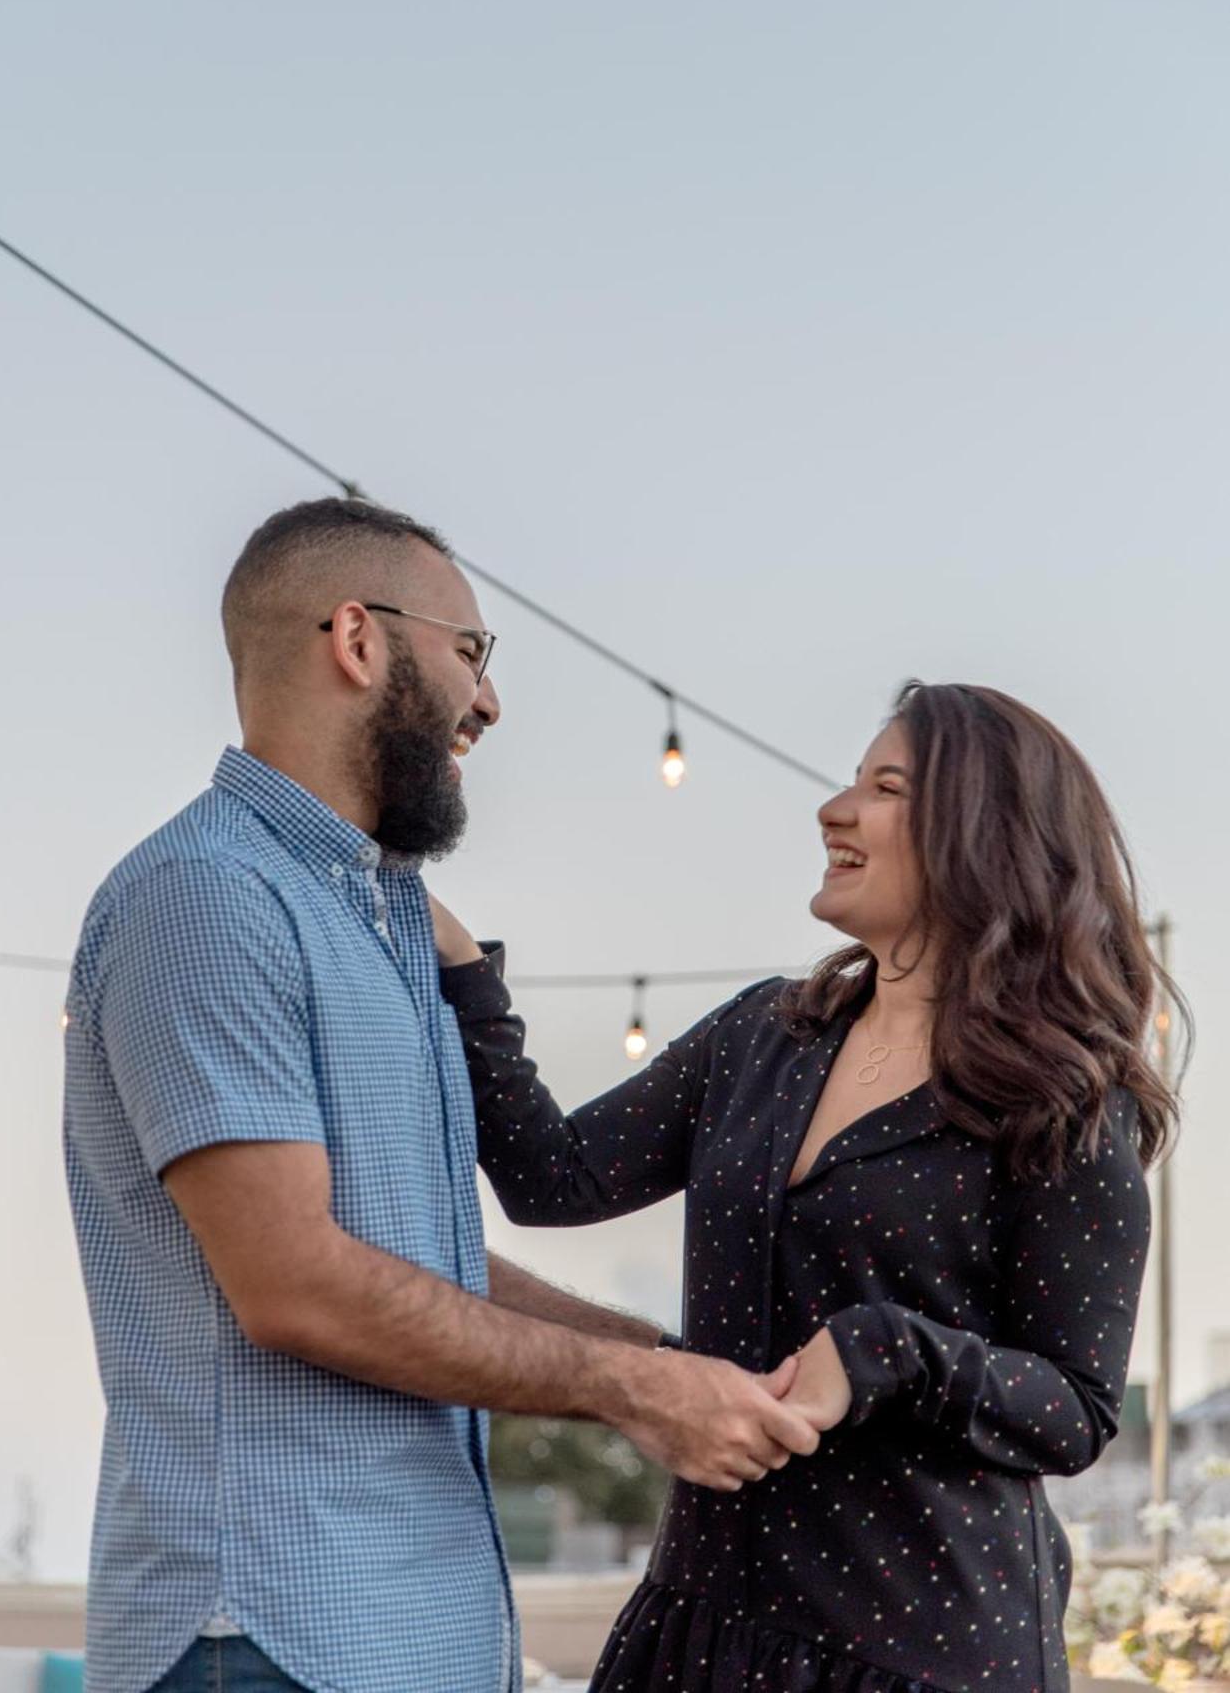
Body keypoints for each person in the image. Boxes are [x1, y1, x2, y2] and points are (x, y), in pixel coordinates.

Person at [62, 496, 818, 1693]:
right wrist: (632, 1388)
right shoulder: (209, 901)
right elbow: (298, 1285)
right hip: (265, 1638)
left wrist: (677, 1361)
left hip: (416, 1633)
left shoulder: (387, 923)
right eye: (472, 651)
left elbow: (428, 1256)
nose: (491, 701)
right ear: (358, 640)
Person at [433, 680, 1182, 1693]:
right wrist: (464, 971)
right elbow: (551, 1178)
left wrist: (889, 1348)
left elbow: (1077, 1406)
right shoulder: (764, 1033)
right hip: (707, 1620)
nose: (835, 808)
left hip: (920, 1651)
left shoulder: (1062, 1098)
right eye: (850, 779)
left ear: (985, 834)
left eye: (885, 786)